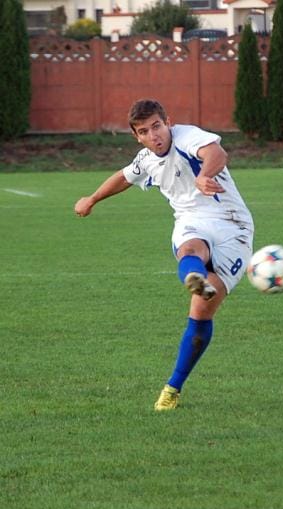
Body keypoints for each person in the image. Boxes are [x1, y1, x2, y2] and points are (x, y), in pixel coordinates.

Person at [74, 99, 254, 411]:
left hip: (233, 226)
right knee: (189, 248)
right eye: (145, 131)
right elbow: (124, 176)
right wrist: (92, 198)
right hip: (191, 221)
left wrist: (204, 175)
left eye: (157, 126)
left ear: (167, 122)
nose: (154, 135)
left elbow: (217, 154)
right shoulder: (146, 159)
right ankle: (195, 278)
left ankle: (174, 384)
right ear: (137, 136)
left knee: (201, 313)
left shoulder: (187, 137)